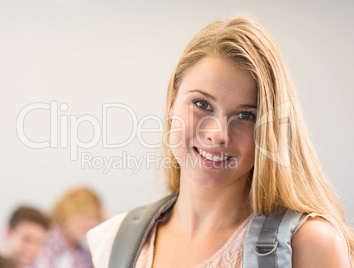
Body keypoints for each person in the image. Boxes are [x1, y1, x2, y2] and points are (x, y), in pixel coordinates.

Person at [87, 15, 354, 267]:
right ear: (172, 102)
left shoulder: (310, 245)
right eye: (202, 104)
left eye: (246, 115)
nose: (218, 134)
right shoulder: (112, 243)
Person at [31, 187, 104, 268]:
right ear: (68, 211)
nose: (90, 225)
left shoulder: (82, 253)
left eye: (94, 218)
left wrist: (108, 223)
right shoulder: (45, 239)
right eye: (85, 217)